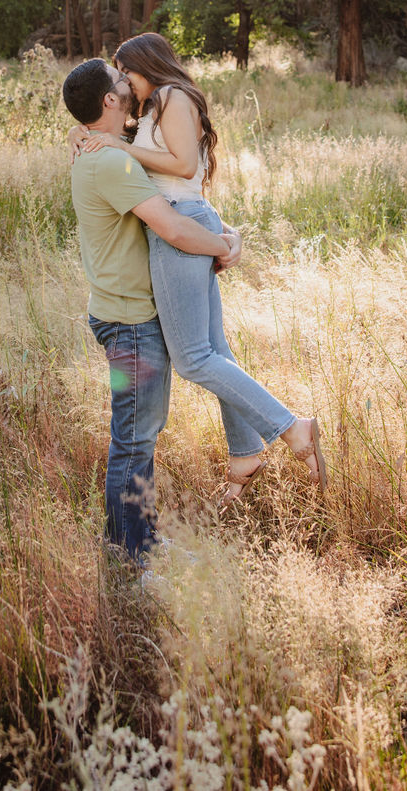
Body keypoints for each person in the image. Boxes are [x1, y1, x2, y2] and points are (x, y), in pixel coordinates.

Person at [72, 32, 326, 509]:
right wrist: (92, 135)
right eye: (118, 77)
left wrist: (118, 148)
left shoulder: (171, 95)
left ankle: (293, 428)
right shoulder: (154, 107)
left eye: (126, 71)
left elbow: (184, 165)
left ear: (146, 66)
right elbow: (142, 151)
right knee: (216, 350)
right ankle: (246, 452)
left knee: (192, 359)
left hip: (180, 226)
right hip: (188, 217)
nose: (123, 82)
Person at [62, 55, 243, 564]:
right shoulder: (111, 161)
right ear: (109, 102)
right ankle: (132, 556)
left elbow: (150, 139)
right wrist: (224, 245)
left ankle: (138, 541)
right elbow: (172, 227)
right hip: (130, 326)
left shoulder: (98, 149)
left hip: (125, 317)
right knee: (134, 438)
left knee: (139, 433)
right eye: (123, 85)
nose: (133, 89)